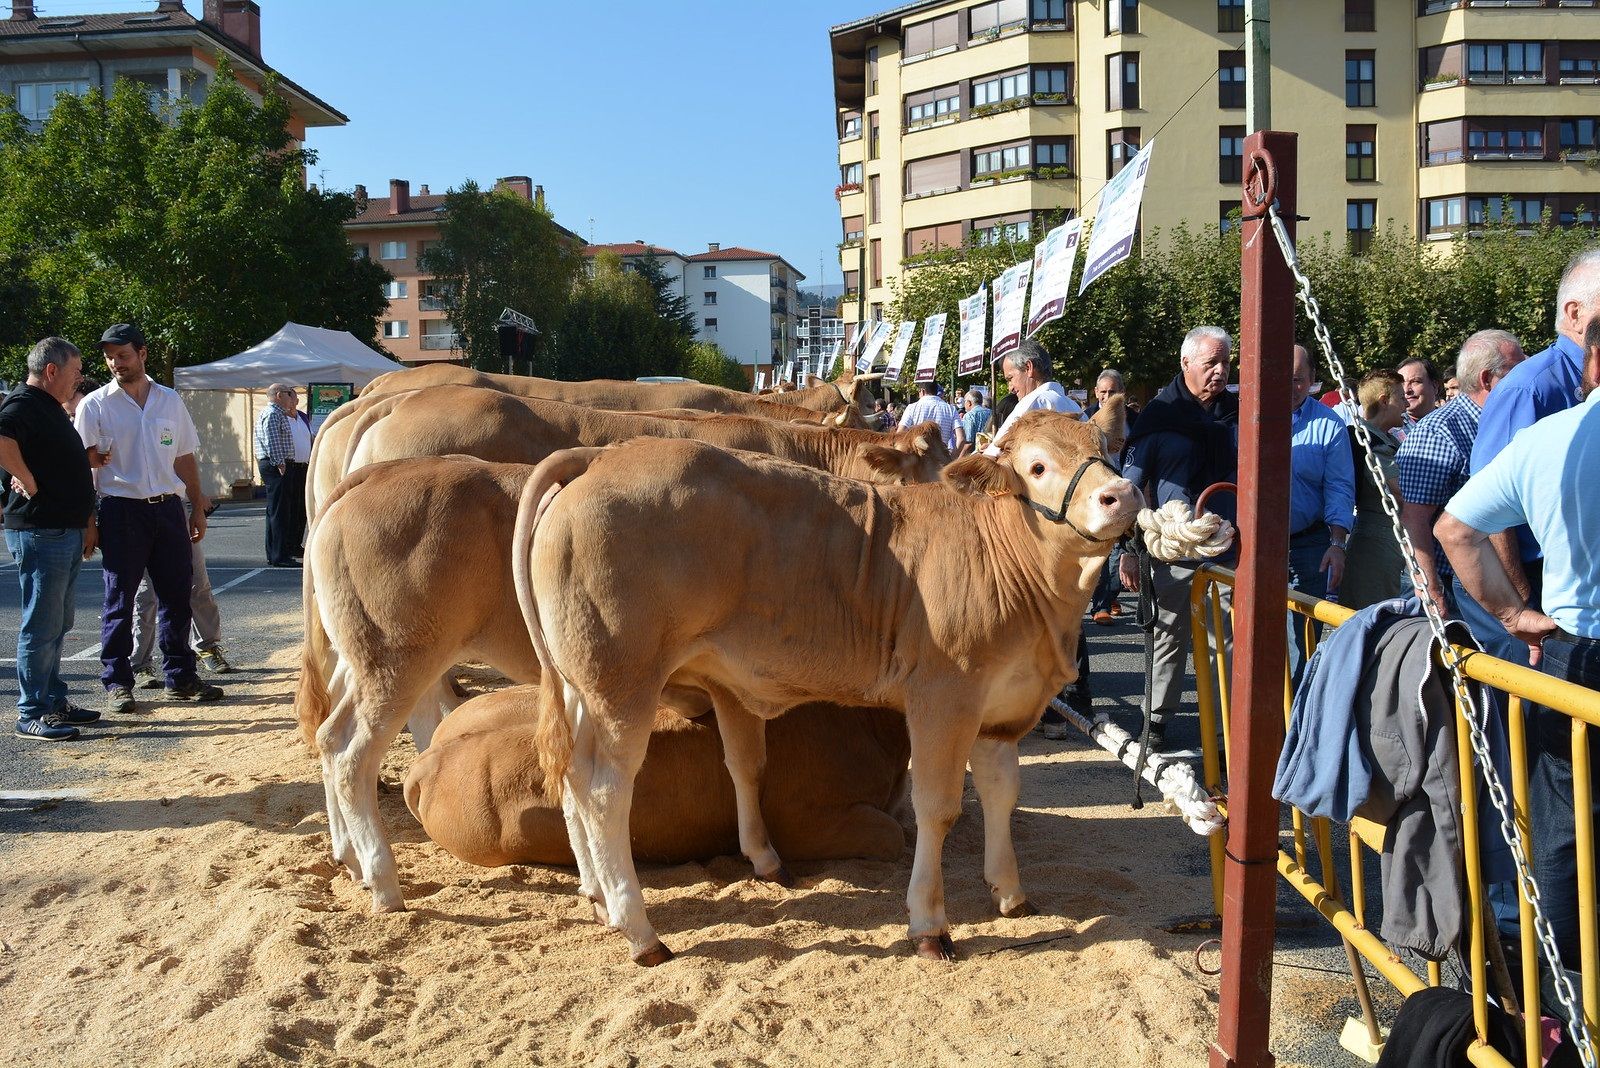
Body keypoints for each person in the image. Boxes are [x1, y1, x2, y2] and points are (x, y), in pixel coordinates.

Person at [1437, 312, 1600, 973]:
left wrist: (1513, 614)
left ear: (1592, 364)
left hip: (1572, 649)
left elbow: (1455, 531)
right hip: (1574, 648)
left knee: (1562, 827)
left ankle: (1565, 995)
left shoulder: (1550, 438)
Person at [74, 323, 223, 713]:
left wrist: (196, 505)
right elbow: (80, 466)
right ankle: (118, 682)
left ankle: (181, 677)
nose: (115, 363)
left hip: (169, 509)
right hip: (121, 510)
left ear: (142, 354)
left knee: (177, 597)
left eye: (122, 355)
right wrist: (89, 521)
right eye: (110, 357)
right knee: (119, 600)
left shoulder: (169, 400)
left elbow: (184, 456)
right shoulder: (95, 405)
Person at [1119, 326, 1239, 751]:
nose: (1220, 371)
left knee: (1224, 642)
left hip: (1226, 548)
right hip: (1173, 550)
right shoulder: (1159, 416)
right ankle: (1155, 721)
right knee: (1169, 635)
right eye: (1211, 363)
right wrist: (1130, 549)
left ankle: (1223, 735)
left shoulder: (1239, 414)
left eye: (1226, 363)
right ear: (1186, 363)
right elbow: (1129, 489)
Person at [1470, 247, 1600, 636]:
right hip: (1538, 584)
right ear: (1575, 313)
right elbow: (1482, 511)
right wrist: (1521, 603)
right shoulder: (1530, 386)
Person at [0, 338, 100, 740]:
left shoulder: (47, 407)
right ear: (52, 370)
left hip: (61, 529)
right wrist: (25, 478)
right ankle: (32, 712)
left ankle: (54, 701)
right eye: (75, 371)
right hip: (42, 531)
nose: (79, 378)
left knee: (59, 622)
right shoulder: (24, 403)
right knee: (42, 625)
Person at [1396, 330, 1526, 622]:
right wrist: (1431, 589)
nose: (1526, 376)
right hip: (1454, 588)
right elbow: (1414, 519)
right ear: (1486, 379)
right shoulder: (1439, 432)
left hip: (1495, 580)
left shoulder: (1500, 420)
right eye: (1516, 369)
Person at [1286, 344, 1356, 676]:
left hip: (1308, 543)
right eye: (1282, 377)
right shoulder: (1245, 417)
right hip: (1253, 545)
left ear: (1313, 378)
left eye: (1297, 378)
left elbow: (1340, 487)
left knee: (1303, 639)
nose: (1289, 386)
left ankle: (1298, 705)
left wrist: (1337, 543)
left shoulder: (1329, 425)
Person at [1338, 370, 1407, 611]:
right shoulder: (1369, 441)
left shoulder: (1382, 439)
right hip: (1375, 544)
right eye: (1401, 398)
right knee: (1374, 616)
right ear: (1384, 401)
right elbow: (1399, 489)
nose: (1406, 404)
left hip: (1383, 538)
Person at [1086, 369, 1132, 625]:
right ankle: (1101, 605)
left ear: (1121, 393)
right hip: (1100, 496)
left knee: (1120, 551)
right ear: (1096, 392)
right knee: (1103, 550)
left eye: (1112, 392)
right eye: (1102, 392)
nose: (1106, 396)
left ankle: (1109, 595)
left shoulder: (1135, 420)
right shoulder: (1087, 419)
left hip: (1126, 491)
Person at [984, 338, 1083, 456]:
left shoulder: (1034, 402)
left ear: (1028, 368)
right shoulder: (1075, 407)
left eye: (1010, 379)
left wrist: (987, 451)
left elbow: (991, 456)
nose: (1010, 388)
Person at [254, 382, 312, 567]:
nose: (292, 398)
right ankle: (279, 555)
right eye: (289, 393)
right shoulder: (273, 414)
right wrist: (280, 463)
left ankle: (278, 552)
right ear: (279, 395)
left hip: (282, 465)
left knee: (280, 510)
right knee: (279, 512)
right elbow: (273, 441)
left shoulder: (278, 413)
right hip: (277, 465)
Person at [897, 380, 961, 452]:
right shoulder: (950, 409)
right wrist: (953, 456)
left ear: (922, 391)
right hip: (942, 456)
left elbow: (899, 434)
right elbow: (961, 438)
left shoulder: (912, 408)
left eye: (919, 392)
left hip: (918, 456)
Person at [1396, 357, 1442, 438]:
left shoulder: (1452, 423)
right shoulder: (1390, 429)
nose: (1406, 390)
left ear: (1435, 386)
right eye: (1401, 384)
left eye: (1415, 381)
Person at [951, 389, 991, 458]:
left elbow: (969, 442)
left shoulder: (969, 415)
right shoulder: (991, 412)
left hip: (976, 455)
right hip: (990, 452)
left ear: (969, 403)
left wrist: (958, 459)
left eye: (964, 402)